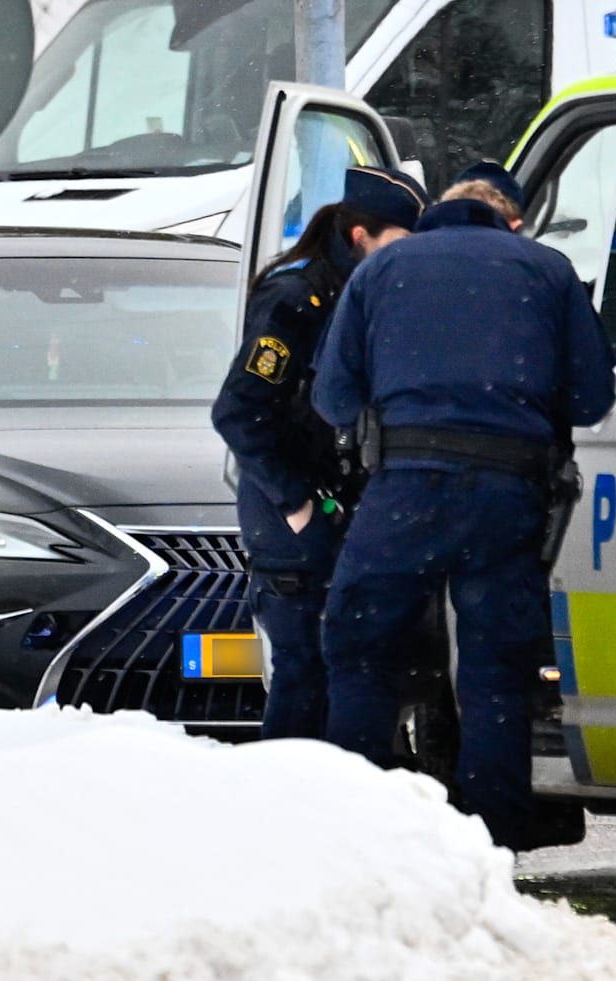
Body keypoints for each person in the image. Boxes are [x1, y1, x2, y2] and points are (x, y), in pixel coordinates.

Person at [310, 162, 616, 851]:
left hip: (406, 490)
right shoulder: (549, 270)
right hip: (509, 494)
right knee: (496, 671)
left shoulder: (381, 270)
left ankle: (352, 832)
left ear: (436, 213)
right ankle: (493, 842)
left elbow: (332, 397)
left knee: (361, 650)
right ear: (512, 221)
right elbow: (592, 397)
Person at [212, 165, 427, 741]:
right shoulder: (297, 297)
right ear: (360, 237)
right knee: (304, 670)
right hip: (293, 511)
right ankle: (290, 788)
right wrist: (296, 500)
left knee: (350, 670)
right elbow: (239, 411)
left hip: (342, 505)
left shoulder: (370, 291)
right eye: (400, 242)